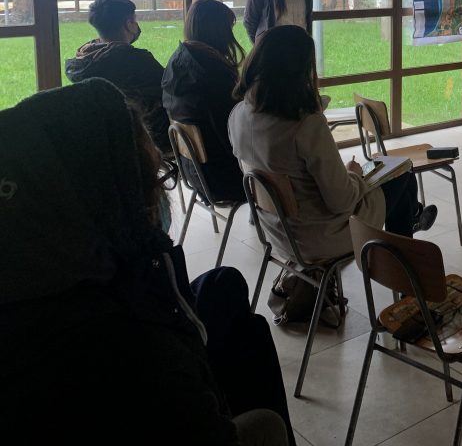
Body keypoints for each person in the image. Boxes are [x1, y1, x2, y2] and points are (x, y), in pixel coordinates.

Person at [0, 78, 292, 445]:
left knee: (223, 287)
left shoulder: (40, 266)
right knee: (266, 418)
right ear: (116, 196)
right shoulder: (134, 353)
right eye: (152, 178)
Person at [228, 25, 435, 264]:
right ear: (300, 71)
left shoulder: (238, 115)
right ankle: (403, 263)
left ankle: (408, 225)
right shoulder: (305, 125)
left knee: (400, 182)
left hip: (276, 231)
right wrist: (354, 174)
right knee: (402, 176)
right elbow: (342, 201)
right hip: (320, 236)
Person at [162, 0, 247, 203]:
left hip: (194, 171)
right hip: (225, 179)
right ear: (219, 30)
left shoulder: (179, 61)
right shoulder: (212, 73)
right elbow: (234, 132)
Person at [66, 0, 171, 155]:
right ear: (129, 24)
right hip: (149, 137)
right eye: (134, 21)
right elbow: (171, 88)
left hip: (108, 139)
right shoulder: (137, 60)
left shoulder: (81, 63)